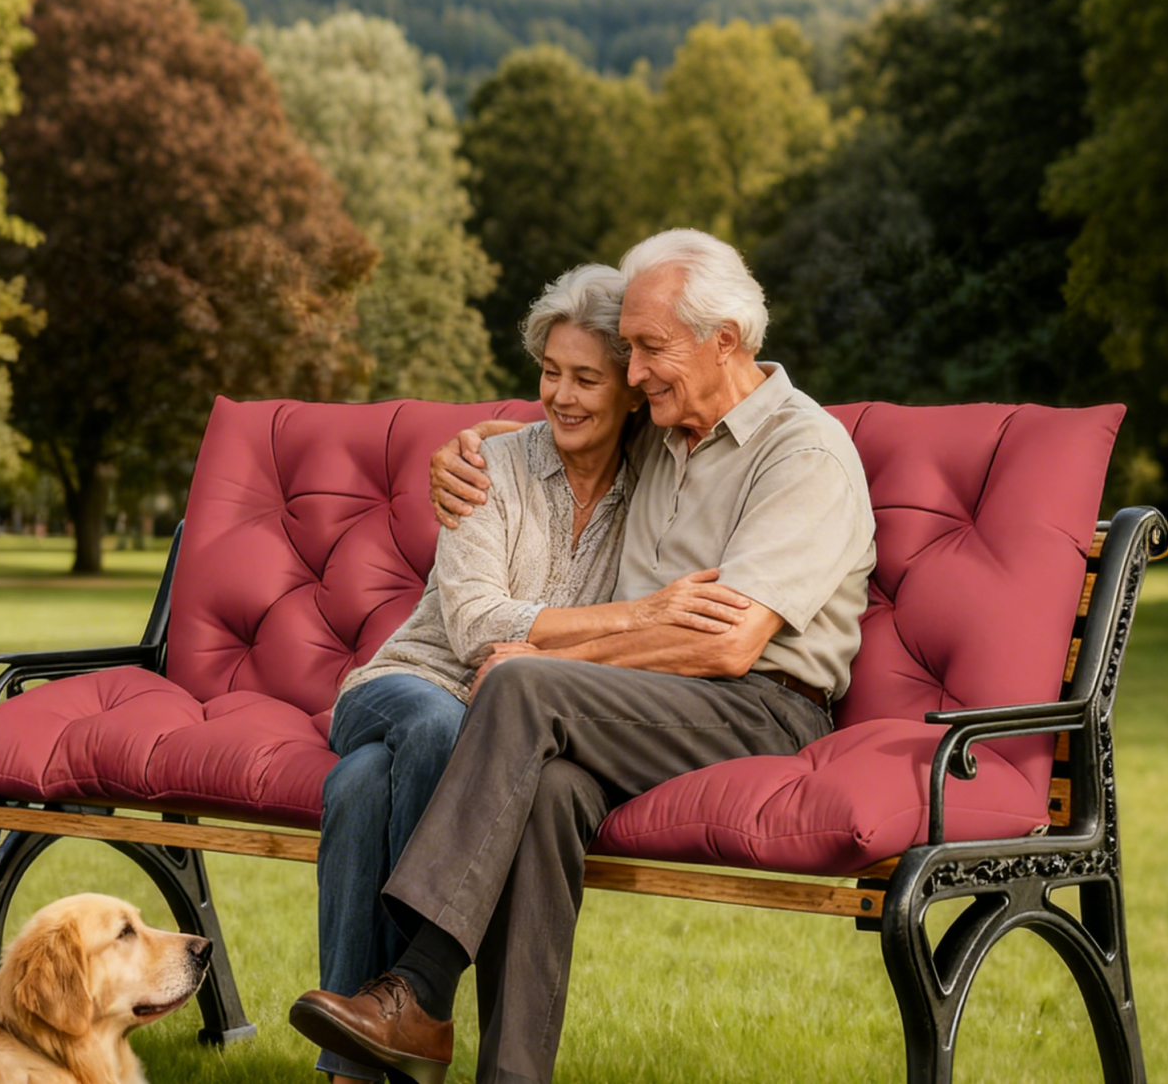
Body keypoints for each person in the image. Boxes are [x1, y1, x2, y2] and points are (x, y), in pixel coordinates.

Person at [290, 228, 877, 1084]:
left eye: (648, 348)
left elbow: (729, 641)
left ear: (724, 341)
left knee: (523, 688)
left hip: (759, 704)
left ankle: (418, 989)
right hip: (648, 706)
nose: (633, 372)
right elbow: (568, 424)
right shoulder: (667, 433)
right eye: (628, 351)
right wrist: (475, 442)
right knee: (547, 791)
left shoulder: (802, 452)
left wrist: (544, 659)